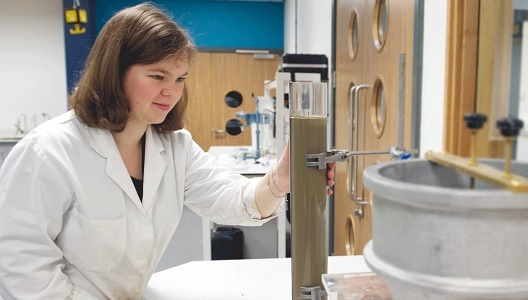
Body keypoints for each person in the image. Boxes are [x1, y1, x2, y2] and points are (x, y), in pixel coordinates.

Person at [0, 3, 334, 299]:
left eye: (179, 79)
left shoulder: (174, 147)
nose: (170, 92)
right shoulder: (49, 152)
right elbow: (21, 265)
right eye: (158, 75)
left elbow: (231, 201)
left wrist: (279, 181)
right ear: (113, 73)